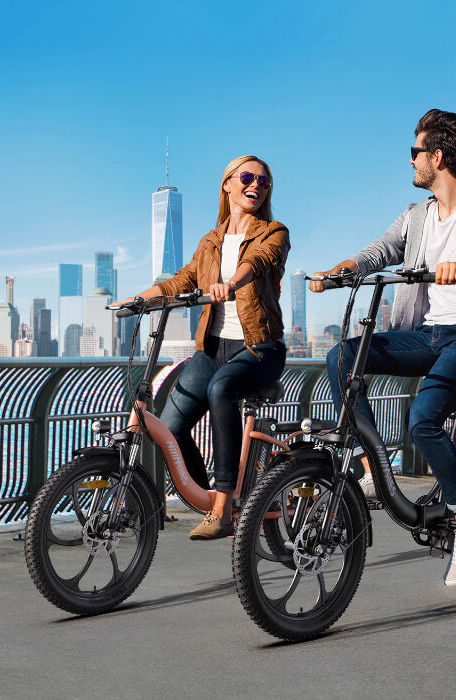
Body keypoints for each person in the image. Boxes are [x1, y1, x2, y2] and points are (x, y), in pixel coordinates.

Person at [309, 109, 456, 586]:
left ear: (437, 157)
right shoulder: (418, 215)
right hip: (427, 335)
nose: (411, 162)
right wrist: (345, 269)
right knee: (343, 356)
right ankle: (371, 468)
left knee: (422, 421)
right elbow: (381, 250)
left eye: (415, 152)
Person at [123, 155, 289, 539]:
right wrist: (136, 300)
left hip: (258, 348)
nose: (256, 185)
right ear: (227, 184)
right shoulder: (210, 241)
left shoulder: (274, 232)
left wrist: (231, 283)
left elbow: (259, 262)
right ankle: (212, 499)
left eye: (264, 181)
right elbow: (181, 280)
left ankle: (223, 507)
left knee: (221, 390)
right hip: (211, 350)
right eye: (247, 177)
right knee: (170, 427)